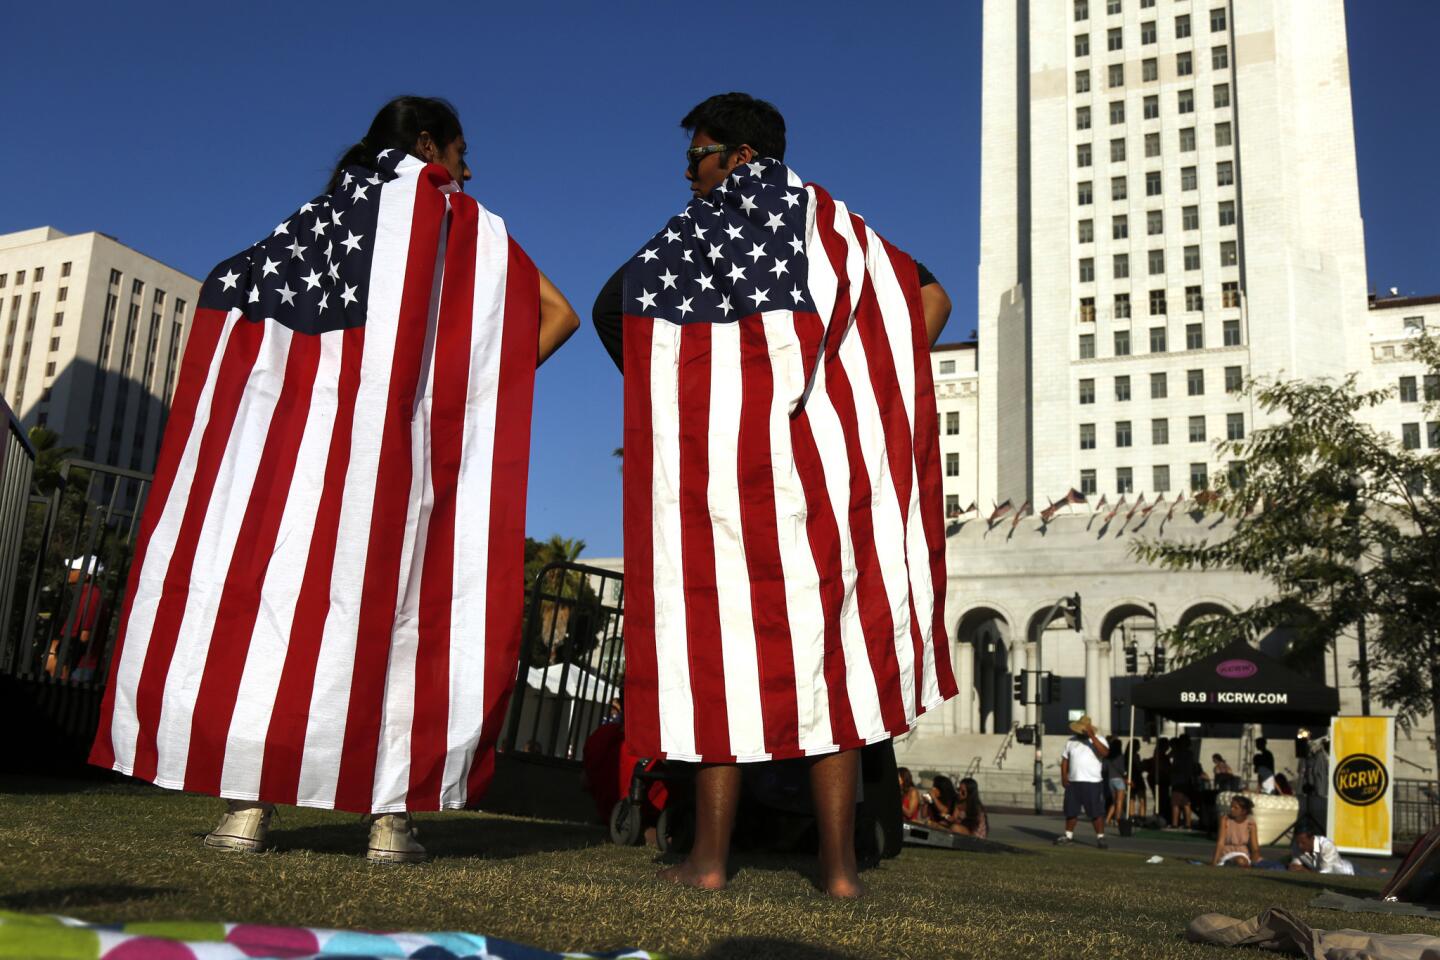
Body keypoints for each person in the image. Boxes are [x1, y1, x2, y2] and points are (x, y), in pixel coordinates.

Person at [90, 96, 581, 865]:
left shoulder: (306, 228)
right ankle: (389, 819)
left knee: (274, 621)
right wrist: (460, 396)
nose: (469, 167)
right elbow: (557, 314)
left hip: (300, 472)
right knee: (402, 622)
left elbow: (231, 315)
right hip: (404, 471)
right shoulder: (459, 227)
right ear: (427, 147)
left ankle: (245, 810)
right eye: (459, 149)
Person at [595, 93, 955, 899]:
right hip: (823, 474)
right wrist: (846, 392)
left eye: (695, 158)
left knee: (719, 656)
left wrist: (689, 408)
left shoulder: (696, 235)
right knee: (834, 665)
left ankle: (711, 860)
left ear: (736, 155)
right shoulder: (840, 229)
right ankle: (837, 872)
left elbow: (612, 310)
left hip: (726, 474)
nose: (688, 176)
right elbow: (930, 301)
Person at [1056, 715, 1110, 848]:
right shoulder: (1071, 741)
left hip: (1092, 782)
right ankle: (1068, 836)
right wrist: (1064, 776)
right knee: (1071, 811)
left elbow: (1105, 753)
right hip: (1074, 782)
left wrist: (1092, 737)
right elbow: (1065, 760)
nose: (1080, 733)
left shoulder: (1099, 740)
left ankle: (1100, 838)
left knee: (1095, 812)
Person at [1211, 796, 1261, 868]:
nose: (1231, 809)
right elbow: (1220, 842)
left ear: (1244, 811)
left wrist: (1254, 861)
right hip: (1227, 854)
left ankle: (1238, 865)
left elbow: (1255, 848)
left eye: (1235, 808)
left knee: (1241, 860)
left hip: (1243, 854)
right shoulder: (1225, 820)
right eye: (1231, 806)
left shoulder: (1250, 823)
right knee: (1239, 861)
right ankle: (1230, 864)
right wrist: (1214, 862)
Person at [1289, 831, 1355, 876]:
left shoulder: (1326, 846)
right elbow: (1295, 865)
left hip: (1346, 873)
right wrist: (1294, 867)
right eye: (1298, 842)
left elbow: (1324, 875)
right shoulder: (1297, 845)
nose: (1300, 846)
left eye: (1303, 843)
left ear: (1312, 839)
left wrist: (1305, 871)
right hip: (1316, 870)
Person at [1169, 733, 1198, 830]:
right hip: (1186, 780)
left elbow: (1175, 766)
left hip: (1179, 780)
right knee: (1186, 803)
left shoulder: (1179, 753)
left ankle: (1175, 823)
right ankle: (1187, 823)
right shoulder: (1189, 753)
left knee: (1176, 803)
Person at [1104, 736, 1128, 828]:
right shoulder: (1120, 756)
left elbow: (1105, 768)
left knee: (1114, 802)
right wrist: (1125, 775)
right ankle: (1117, 820)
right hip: (1119, 779)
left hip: (1110, 780)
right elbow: (1121, 769)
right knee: (1119, 802)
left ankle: (1108, 819)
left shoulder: (1108, 757)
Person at [1128, 740, 1148, 818]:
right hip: (1137, 779)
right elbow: (1139, 767)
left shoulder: (1127, 756)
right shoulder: (1136, 755)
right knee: (1142, 799)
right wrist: (1144, 765)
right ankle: (1142, 816)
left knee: (1132, 799)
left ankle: (1131, 816)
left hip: (1131, 778)